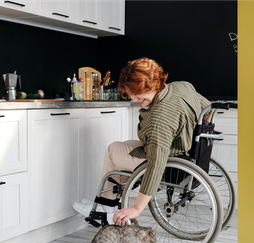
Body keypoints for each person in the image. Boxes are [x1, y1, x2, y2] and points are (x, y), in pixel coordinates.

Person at [72, 57, 212, 226]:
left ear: (151, 85)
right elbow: (208, 110)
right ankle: (107, 202)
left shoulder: (160, 118)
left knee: (113, 150)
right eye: (131, 93)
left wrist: (136, 208)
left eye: (137, 93)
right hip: (188, 153)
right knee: (125, 145)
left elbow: (156, 165)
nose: (134, 98)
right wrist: (193, 136)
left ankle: (106, 208)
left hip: (171, 164)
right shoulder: (182, 86)